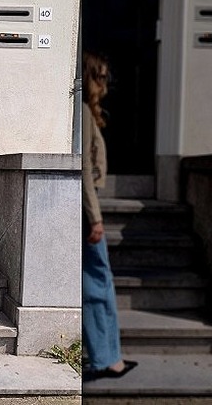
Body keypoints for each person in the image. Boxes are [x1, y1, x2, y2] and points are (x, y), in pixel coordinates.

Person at [82, 51, 137, 381]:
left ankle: (105, 356)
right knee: (98, 282)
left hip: (86, 204)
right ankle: (107, 359)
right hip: (87, 208)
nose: (105, 84)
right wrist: (96, 218)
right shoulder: (85, 113)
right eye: (100, 77)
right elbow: (85, 169)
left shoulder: (87, 113)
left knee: (95, 282)